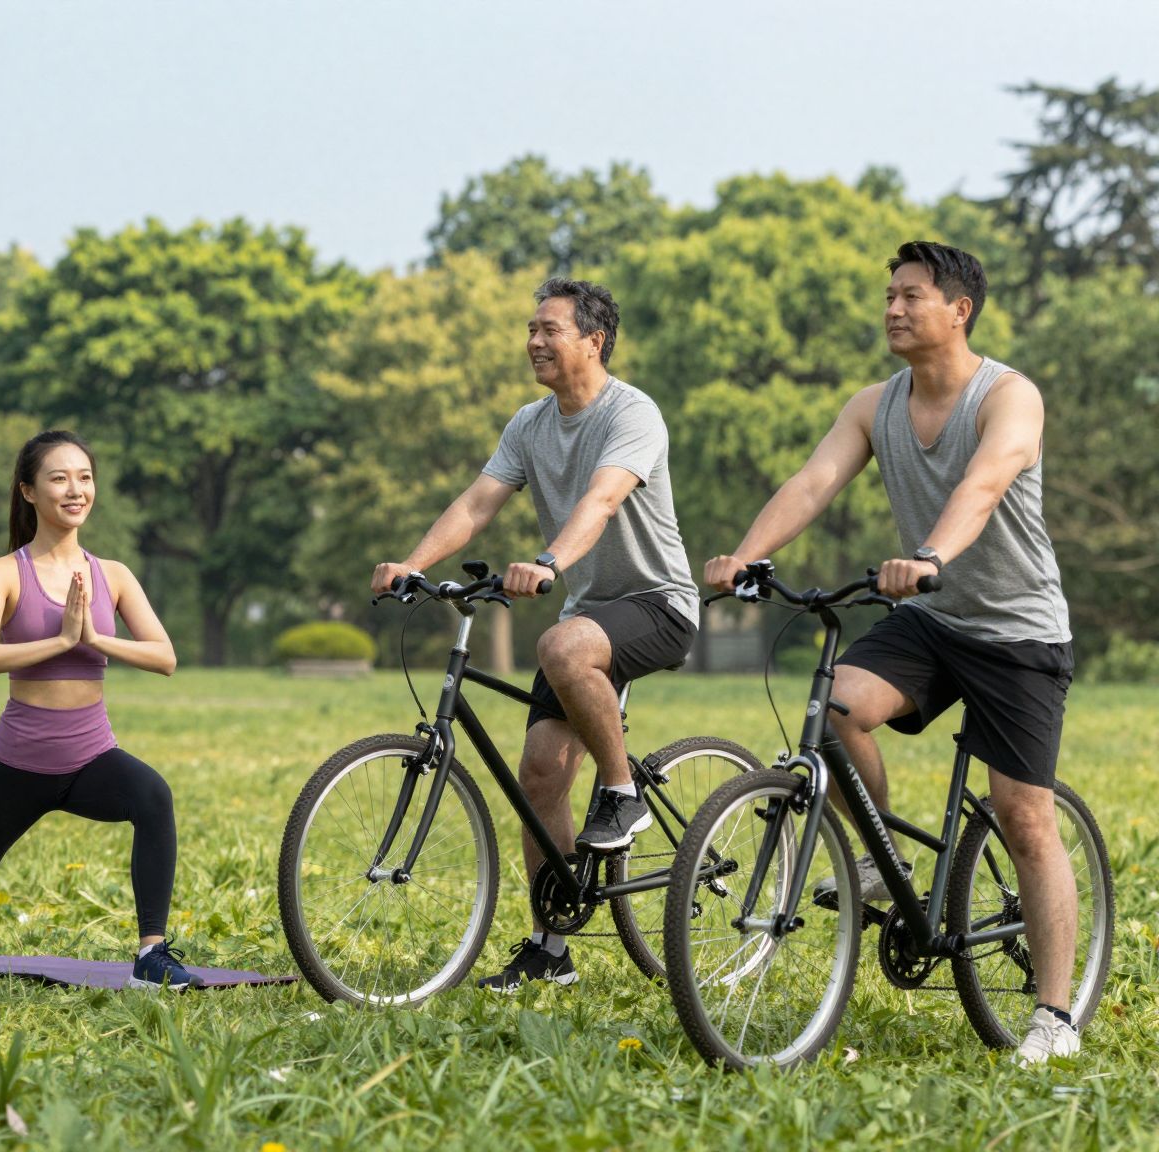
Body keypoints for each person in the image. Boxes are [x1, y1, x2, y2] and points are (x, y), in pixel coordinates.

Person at [704, 241, 1081, 1066]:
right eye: (889, 296)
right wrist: (744, 555)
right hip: (935, 619)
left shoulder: (1009, 398)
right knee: (836, 707)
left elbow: (983, 486)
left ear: (959, 310)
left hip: (1017, 632)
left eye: (911, 295)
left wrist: (934, 557)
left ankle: (1055, 1014)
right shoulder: (875, 404)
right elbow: (812, 483)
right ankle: (884, 862)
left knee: (1023, 815)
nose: (893, 309)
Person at [370, 277, 698, 993]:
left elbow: (603, 499)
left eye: (550, 329)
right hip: (588, 615)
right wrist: (414, 565)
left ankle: (622, 793)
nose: (535, 342)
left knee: (561, 644)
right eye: (530, 330)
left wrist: (550, 560)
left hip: (658, 604)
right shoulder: (530, 424)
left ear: (593, 340)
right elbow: (478, 501)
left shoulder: (631, 413)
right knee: (541, 775)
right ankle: (551, 948)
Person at [0, 430, 203, 989]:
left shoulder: (113, 574)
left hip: (90, 756)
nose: (75, 490)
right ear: (28, 491)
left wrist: (96, 639)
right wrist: (60, 639)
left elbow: (165, 656)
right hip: (18, 764)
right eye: (59, 478)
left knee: (153, 797)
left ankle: (150, 954)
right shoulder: (3, 572)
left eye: (84, 477)